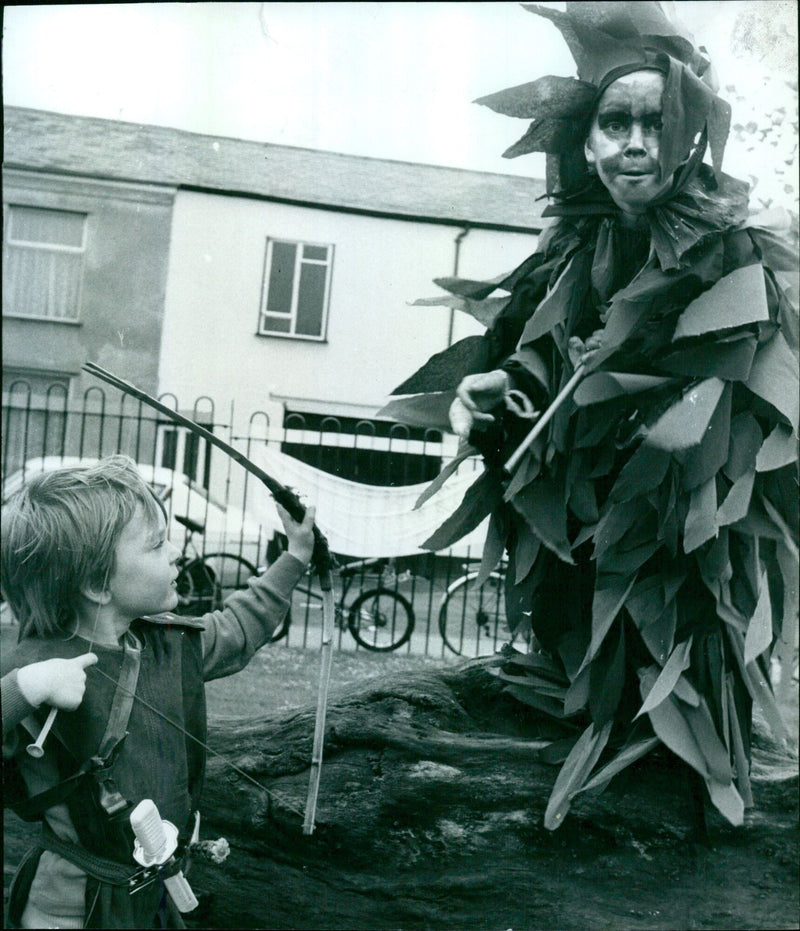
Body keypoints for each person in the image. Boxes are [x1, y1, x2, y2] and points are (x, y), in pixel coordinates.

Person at [384, 2, 797, 830]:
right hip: (577, 557)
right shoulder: (562, 261)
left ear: (688, 136)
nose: (635, 142)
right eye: (616, 122)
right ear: (586, 138)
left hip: (685, 560)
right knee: (571, 729)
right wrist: (491, 393)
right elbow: (519, 371)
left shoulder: (736, 257)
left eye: (657, 121)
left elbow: (749, 401)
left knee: (685, 760)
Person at [1, 455, 315, 928]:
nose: (174, 554)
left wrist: (295, 557)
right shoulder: (32, 666)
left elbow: (236, 628)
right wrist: (26, 687)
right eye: (155, 545)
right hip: (68, 907)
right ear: (95, 583)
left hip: (156, 898)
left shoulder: (167, 645)